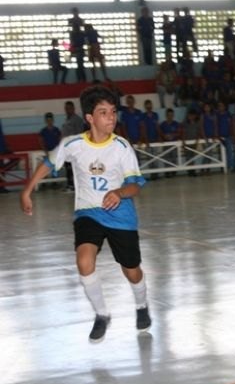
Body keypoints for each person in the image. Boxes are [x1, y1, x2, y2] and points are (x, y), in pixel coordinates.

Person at [20, 85, 151, 342]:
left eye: (113, 112)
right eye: (104, 113)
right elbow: (48, 162)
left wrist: (120, 193)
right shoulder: (74, 144)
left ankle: (141, 304)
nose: (111, 117)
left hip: (120, 215)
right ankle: (102, 314)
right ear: (90, 118)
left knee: (131, 269)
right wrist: (27, 191)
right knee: (84, 261)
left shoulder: (122, 147)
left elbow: (135, 184)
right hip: (88, 213)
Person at [61, 101, 86, 192]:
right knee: (68, 167)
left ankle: (75, 185)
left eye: (69, 108)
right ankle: (70, 184)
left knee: (74, 167)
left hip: (74, 148)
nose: (67, 110)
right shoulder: (66, 119)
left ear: (73, 108)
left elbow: (79, 134)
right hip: (66, 148)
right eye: (66, 108)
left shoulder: (77, 120)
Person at [159, 108, 181, 177]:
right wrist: (164, 136)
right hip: (166, 144)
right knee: (166, 158)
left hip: (174, 144)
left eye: (171, 115)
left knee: (174, 158)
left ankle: (173, 172)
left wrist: (173, 135)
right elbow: (160, 133)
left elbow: (179, 133)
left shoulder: (176, 123)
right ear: (166, 115)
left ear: (173, 115)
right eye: (168, 115)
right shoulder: (163, 124)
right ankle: (167, 172)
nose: (170, 116)